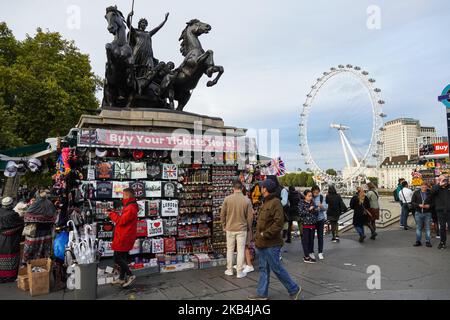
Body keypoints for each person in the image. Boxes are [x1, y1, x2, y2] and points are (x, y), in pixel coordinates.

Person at [247, 179, 302, 300]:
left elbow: (278, 224)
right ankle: (262, 293)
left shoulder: (275, 202)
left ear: (265, 189)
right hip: (262, 243)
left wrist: (264, 234)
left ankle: (294, 288)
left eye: (262, 187)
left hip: (271, 243)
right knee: (263, 268)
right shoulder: (265, 202)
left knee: (276, 268)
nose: (260, 189)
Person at [220, 180, 254, 278]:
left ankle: (229, 269)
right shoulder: (247, 200)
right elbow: (250, 217)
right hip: (242, 229)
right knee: (240, 250)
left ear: (233, 188)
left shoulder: (227, 199)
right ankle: (239, 271)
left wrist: (223, 225)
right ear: (242, 188)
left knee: (230, 249)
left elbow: (222, 214)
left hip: (230, 228)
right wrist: (248, 226)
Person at [108, 188, 139, 287]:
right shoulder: (129, 206)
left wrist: (111, 213)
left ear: (128, 196)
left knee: (117, 258)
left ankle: (130, 275)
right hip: (124, 235)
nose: (122, 197)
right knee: (122, 258)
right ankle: (121, 279)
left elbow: (121, 221)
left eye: (124, 195)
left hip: (124, 236)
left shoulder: (130, 208)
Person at [127, 11, 170, 76]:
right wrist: (128, 16)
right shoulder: (136, 32)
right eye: (142, 23)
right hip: (137, 52)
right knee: (133, 67)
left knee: (150, 68)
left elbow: (158, 28)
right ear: (139, 24)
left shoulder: (148, 34)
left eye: (145, 23)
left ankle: (147, 79)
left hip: (148, 54)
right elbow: (128, 25)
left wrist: (165, 20)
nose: (144, 24)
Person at [22, 190, 57, 263]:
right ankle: (43, 262)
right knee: (45, 248)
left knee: (31, 248)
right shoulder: (49, 203)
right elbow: (54, 216)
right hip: (46, 232)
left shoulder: (35, 204)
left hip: (35, 232)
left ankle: (29, 263)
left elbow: (27, 216)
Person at [0, 197, 24, 283]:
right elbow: (21, 224)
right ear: (11, 205)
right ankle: (10, 276)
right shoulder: (13, 214)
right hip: (11, 239)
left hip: (1, 238)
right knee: (11, 255)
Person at [430, 175, 450, 250]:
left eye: (444, 179)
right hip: (440, 211)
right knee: (442, 227)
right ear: (438, 180)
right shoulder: (436, 187)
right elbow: (432, 193)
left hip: (449, 210)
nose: (443, 181)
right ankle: (442, 242)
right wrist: (439, 185)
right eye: (441, 179)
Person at [299, 190, 318, 263]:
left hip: (312, 224)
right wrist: (308, 210)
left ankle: (311, 252)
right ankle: (306, 255)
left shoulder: (313, 203)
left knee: (311, 239)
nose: (310, 197)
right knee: (305, 240)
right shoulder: (301, 203)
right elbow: (301, 213)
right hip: (305, 224)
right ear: (305, 196)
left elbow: (316, 212)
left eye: (311, 196)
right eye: (309, 196)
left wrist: (316, 210)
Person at [411, 182, 432, 247]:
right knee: (418, 228)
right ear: (420, 186)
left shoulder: (430, 193)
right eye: (423, 187)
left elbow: (434, 202)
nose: (424, 188)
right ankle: (418, 241)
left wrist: (430, 206)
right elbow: (412, 202)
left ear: (427, 187)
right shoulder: (416, 193)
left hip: (427, 213)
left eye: (425, 187)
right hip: (418, 213)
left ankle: (428, 241)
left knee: (427, 228)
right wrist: (418, 205)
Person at [311, 186, 327, 260]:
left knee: (320, 236)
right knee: (311, 237)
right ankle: (311, 252)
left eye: (317, 192)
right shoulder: (310, 197)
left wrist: (321, 206)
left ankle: (320, 252)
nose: (315, 194)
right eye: (314, 192)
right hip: (312, 220)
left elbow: (325, 208)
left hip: (320, 219)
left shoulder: (321, 197)